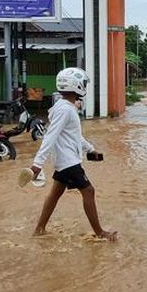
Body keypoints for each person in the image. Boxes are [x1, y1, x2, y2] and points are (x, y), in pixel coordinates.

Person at [24, 67, 117, 241]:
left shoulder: (65, 107)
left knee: (55, 194)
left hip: (65, 160)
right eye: (83, 83)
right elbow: (50, 136)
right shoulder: (65, 109)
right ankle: (100, 233)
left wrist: (90, 149)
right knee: (88, 191)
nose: (84, 86)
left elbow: (74, 135)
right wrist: (37, 164)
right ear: (76, 86)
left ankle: (39, 229)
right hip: (68, 162)